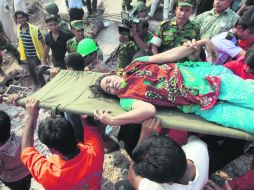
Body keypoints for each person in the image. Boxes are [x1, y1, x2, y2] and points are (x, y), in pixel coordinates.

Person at [90, 39, 254, 134]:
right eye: (109, 89)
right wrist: (114, 120)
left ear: (113, 73)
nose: (112, 86)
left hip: (203, 77)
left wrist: (202, 42)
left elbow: (167, 56)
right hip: (199, 106)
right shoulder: (126, 100)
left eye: (109, 81)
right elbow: (149, 111)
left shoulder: (135, 65)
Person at [18, 98, 104, 190]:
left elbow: (26, 151)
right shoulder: (95, 151)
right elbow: (89, 125)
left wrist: (31, 117)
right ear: (73, 134)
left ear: (52, 150)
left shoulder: (49, 175)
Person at [128, 118, 209, 190]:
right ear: (180, 149)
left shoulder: (155, 188)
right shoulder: (199, 147)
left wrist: (143, 136)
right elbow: (192, 137)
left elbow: (132, 176)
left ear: (168, 183)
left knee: (122, 185)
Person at [0, 96, 31, 190]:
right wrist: (20, 100)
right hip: (27, 172)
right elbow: (30, 116)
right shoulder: (22, 139)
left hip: (12, 180)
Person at [15, 11, 45, 90]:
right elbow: (20, 42)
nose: (21, 19)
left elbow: (42, 42)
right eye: (19, 18)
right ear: (17, 20)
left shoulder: (34, 29)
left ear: (26, 18)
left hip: (35, 55)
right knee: (31, 71)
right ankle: (36, 84)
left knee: (39, 71)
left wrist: (45, 54)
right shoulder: (19, 29)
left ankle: (43, 86)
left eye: (22, 17)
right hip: (27, 55)